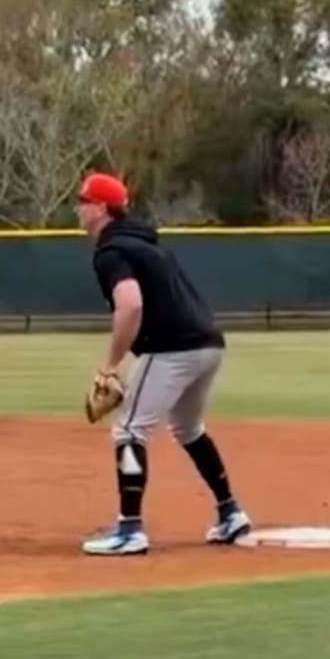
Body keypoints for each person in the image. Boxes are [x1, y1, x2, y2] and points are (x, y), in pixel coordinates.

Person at [74, 171, 251, 556]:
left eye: (83, 202)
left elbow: (131, 305)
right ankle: (230, 513)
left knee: (128, 431)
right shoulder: (146, 244)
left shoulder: (112, 252)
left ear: (101, 209)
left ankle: (130, 529)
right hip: (208, 344)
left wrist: (109, 366)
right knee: (188, 428)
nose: (78, 209)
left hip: (173, 348)